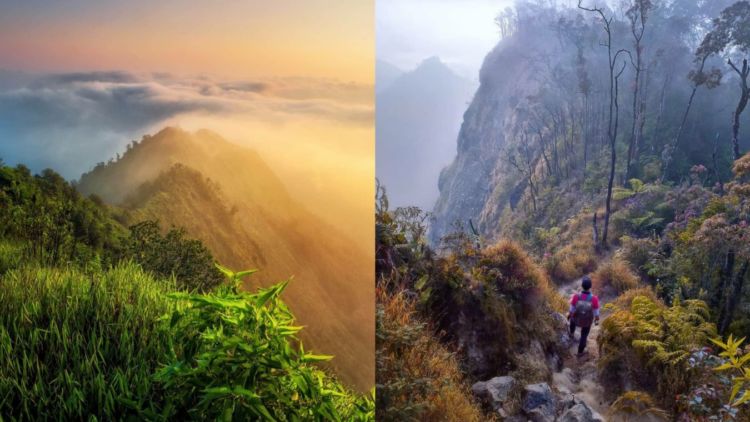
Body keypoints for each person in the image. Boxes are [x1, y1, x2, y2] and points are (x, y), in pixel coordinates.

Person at [568, 275, 600, 357]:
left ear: (582, 286)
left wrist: (569, 315)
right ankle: (580, 352)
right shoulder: (594, 299)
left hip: (576, 320)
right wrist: (596, 320)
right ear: (590, 287)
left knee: (572, 319)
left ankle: (571, 333)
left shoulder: (576, 296)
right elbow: (596, 313)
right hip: (587, 322)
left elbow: (571, 310)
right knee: (584, 335)